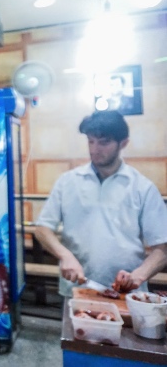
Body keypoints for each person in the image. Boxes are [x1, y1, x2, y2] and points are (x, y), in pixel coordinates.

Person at [34, 110, 167, 297]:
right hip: (77, 288)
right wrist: (65, 256)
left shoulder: (141, 187)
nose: (95, 149)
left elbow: (162, 248)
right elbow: (42, 229)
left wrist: (137, 276)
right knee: (77, 326)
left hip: (127, 293)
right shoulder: (68, 182)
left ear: (124, 143)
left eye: (104, 142)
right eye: (91, 141)